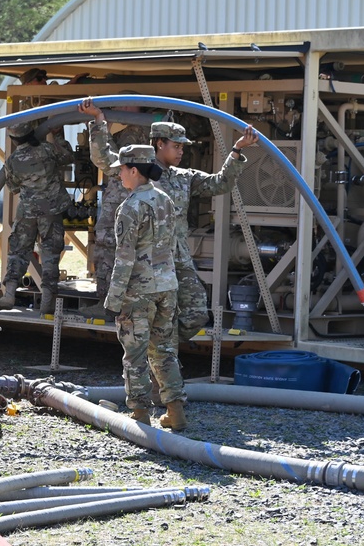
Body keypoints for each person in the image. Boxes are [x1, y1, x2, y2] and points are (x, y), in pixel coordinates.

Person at [151, 120, 259, 343]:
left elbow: (221, 183)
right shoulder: (139, 173)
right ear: (160, 143)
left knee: (196, 311)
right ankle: (158, 358)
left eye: (183, 147)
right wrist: (98, 123)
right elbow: (105, 160)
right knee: (156, 314)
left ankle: (160, 349)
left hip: (178, 257)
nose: (181, 151)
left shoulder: (183, 177)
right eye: (176, 146)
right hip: (151, 261)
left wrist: (237, 150)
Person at [102, 144, 185, 429]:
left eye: (122, 170)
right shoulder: (165, 199)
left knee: (135, 354)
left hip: (139, 290)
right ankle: (175, 411)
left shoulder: (130, 208)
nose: (119, 176)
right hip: (167, 285)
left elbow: (124, 258)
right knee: (163, 350)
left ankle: (139, 412)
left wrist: (113, 300)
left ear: (134, 170)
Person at [0, 121, 73, 315]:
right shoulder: (48, 150)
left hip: (26, 211)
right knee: (50, 254)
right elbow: (68, 156)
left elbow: (14, 187)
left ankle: (9, 294)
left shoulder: (12, 160)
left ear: (13, 139)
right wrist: (58, 135)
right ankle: (47, 301)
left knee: (18, 250)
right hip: (51, 210)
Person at [77, 98, 150, 319]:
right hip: (131, 202)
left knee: (111, 249)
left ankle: (110, 305)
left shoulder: (133, 135)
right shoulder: (147, 134)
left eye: (123, 106)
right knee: (121, 251)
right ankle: (117, 305)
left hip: (123, 201)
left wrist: (101, 123)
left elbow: (105, 159)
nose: (121, 110)